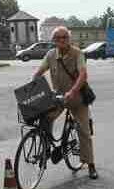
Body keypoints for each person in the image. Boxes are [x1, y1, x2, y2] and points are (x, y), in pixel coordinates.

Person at [32, 26, 98, 179]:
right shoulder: (50, 55)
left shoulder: (77, 53)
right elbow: (39, 72)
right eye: (58, 38)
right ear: (54, 40)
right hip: (58, 98)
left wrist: (73, 91)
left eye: (65, 37)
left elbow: (83, 74)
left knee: (83, 131)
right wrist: (32, 86)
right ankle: (46, 148)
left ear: (69, 39)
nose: (62, 40)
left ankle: (91, 164)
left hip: (76, 97)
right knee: (45, 118)